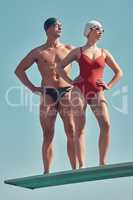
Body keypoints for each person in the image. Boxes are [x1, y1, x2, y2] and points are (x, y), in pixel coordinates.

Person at [15, 17, 81, 173]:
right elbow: (19, 70)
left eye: (61, 25)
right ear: (48, 29)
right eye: (57, 25)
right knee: (47, 132)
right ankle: (46, 171)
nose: (60, 27)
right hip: (47, 93)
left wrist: (79, 82)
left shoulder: (69, 49)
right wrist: (32, 88)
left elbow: (87, 64)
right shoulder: (38, 51)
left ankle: (75, 168)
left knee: (71, 129)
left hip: (66, 91)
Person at [56, 20, 123, 165]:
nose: (100, 32)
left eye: (102, 30)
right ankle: (81, 164)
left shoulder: (104, 52)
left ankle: (102, 162)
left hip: (97, 91)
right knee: (80, 128)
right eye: (98, 29)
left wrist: (109, 85)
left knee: (106, 124)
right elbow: (59, 67)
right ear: (89, 31)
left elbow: (119, 72)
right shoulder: (78, 51)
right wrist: (70, 80)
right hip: (79, 90)